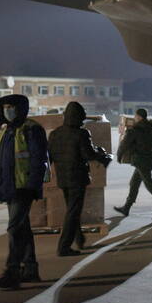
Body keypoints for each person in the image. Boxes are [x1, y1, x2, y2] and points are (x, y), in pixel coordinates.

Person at [0, 94, 48, 289]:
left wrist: (31, 186)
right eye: (4, 107)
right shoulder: (3, 131)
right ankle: (30, 269)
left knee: (14, 228)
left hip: (23, 188)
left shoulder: (32, 129)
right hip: (8, 186)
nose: (7, 110)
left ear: (21, 108)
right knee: (22, 227)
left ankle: (13, 271)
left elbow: (40, 161)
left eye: (11, 106)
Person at [47, 102, 112, 256]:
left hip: (62, 177)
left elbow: (49, 155)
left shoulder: (55, 133)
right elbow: (88, 155)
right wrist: (102, 154)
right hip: (77, 178)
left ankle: (79, 239)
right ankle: (63, 247)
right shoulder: (81, 133)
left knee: (72, 210)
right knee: (73, 212)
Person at [113, 108, 152, 218]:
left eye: (135, 116)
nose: (134, 118)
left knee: (149, 184)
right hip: (148, 161)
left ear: (139, 117)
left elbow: (124, 145)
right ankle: (126, 207)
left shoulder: (134, 130)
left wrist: (119, 156)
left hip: (139, 161)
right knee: (134, 183)